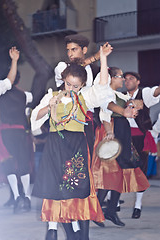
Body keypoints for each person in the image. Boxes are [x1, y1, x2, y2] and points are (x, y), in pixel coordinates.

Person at [31, 44, 114, 240]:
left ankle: (78, 231)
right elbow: (35, 116)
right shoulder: (51, 96)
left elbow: (102, 88)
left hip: (76, 147)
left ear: (82, 85)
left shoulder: (85, 97)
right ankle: (60, 230)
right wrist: (48, 107)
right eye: (68, 84)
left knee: (77, 188)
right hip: (55, 146)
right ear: (63, 81)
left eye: (76, 86)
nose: (71, 89)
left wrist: (102, 58)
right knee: (55, 187)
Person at [91, 67, 150, 227]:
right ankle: (98, 210)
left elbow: (139, 103)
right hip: (113, 132)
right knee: (112, 173)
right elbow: (105, 114)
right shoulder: (106, 95)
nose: (123, 79)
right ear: (110, 78)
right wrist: (110, 133)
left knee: (120, 171)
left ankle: (108, 210)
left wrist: (132, 103)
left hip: (122, 132)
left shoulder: (120, 95)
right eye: (120, 76)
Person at [55, 34, 101, 159]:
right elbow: (74, 71)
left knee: (87, 157)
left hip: (88, 120)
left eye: (73, 49)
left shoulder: (95, 70)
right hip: (66, 119)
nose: (70, 54)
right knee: (66, 159)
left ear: (84, 50)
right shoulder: (62, 67)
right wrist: (96, 56)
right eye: (68, 50)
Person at [124, 71, 160, 218]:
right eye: (125, 79)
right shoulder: (121, 96)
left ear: (138, 81)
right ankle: (114, 202)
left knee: (141, 170)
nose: (127, 81)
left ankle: (138, 205)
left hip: (140, 137)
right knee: (120, 168)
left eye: (131, 79)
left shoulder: (144, 93)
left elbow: (155, 91)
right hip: (124, 137)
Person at [0, 70, 33, 214]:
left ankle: (18, 197)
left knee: (9, 163)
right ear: (18, 80)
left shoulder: (1, 93)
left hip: (5, 131)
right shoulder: (25, 95)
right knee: (24, 162)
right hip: (20, 132)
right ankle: (27, 198)